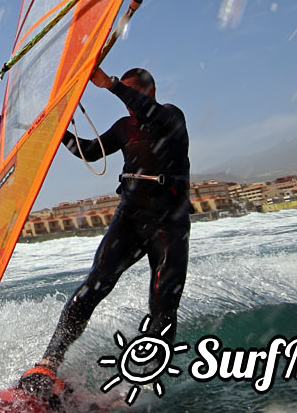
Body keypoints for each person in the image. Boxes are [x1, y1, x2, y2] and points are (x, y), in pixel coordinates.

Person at [17, 66, 191, 403]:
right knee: (94, 285)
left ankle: (144, 382)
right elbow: (92, 151)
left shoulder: (171, 116)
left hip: (170, 222)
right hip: (130, 218)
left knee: (163, 305)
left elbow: (147, 110)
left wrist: (109, 83)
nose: (128, 104)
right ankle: (49, 362)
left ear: (149, 91)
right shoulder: (125, 127)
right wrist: (59, 132)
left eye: (132, 94)